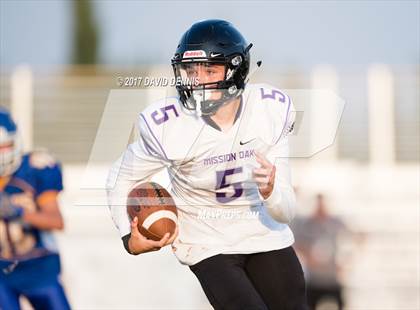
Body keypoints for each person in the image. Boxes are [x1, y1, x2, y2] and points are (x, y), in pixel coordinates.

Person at [107, 19, 306, 309]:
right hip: (206, 242)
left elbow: (285, 211)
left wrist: (272, 190)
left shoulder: (269, 110)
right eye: (190, 70)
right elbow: (120, 178)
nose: (197, 80)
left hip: (263, 232)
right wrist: (129, 238)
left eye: (209, 70)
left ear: (236, 69)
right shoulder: (169, 125)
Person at [0, 108, 71, 310]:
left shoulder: (33, 168)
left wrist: (18, 211)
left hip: (38, 267)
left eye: (5, 146)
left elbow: (56, 221)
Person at [292, 194, 349, 310]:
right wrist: (308, 256)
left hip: (333, 278)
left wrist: (346, 262)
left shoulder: (336, 223)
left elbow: (352, 239)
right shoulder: (306, 224)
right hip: (314, 280)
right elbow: (296, 243)